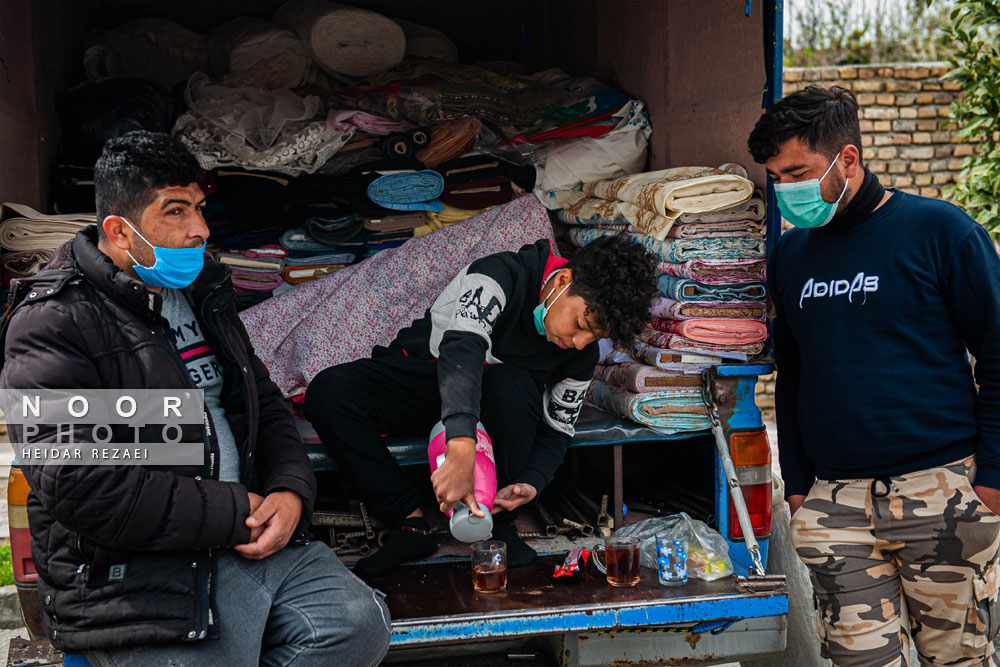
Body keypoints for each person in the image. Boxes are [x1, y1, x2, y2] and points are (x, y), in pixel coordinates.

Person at [0, 131, 391, 666]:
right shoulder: (54, 322)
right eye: (176, 212)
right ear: (119, 230)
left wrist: (290, 492)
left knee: (357, 626)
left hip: (245, 538)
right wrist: (236, 511)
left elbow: (264, 403)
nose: (200, 230)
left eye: (201, 210)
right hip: (134, 569)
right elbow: (81, 484)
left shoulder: (202, 293)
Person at [749, 85, 1000, 666]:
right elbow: (794, 373)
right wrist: (799, 485)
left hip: (941, 494)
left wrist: (990, 481)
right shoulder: (791, 256)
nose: (787, 190)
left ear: (849, 159)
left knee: (959, 661)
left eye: (799, 172)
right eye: (777, 178)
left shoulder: (942, 232)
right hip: (836, 506)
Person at [305, 234, 657, 575]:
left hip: (495, 410)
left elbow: (557, 430)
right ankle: (408, 524)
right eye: (581, 324)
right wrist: (461, 448)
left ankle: (498, 524)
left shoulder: (579, 355)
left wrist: (533, 482)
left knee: (512, 382)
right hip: (425, 377)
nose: (579, 343)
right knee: (329, 393)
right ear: (563, 280)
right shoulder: (498, 276)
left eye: (594, 337)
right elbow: (462, 350)